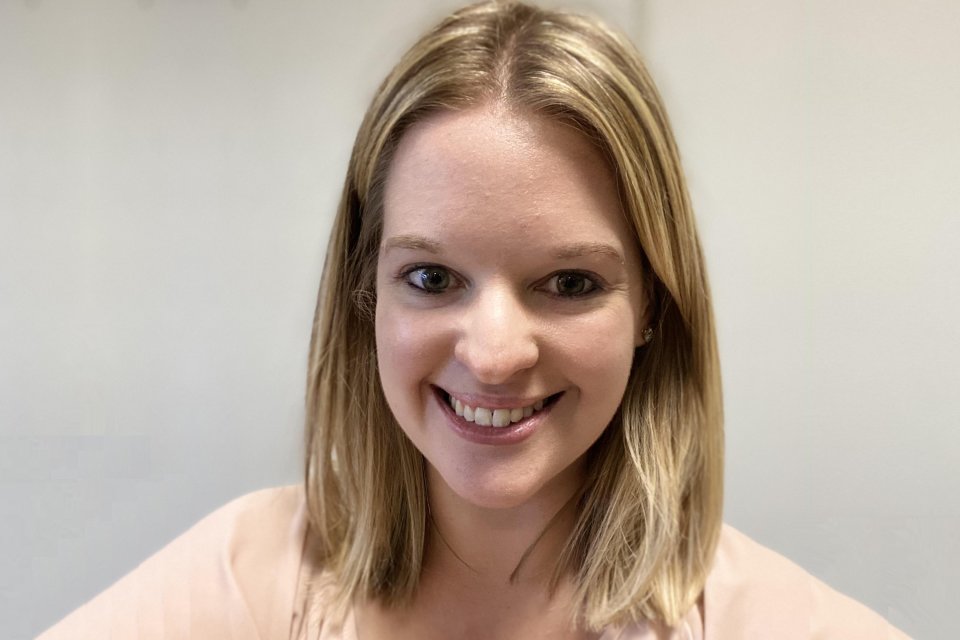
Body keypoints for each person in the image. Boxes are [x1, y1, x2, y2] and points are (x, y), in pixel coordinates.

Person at [39, 1, 908, 638]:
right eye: (431, 276)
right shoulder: (251, 581)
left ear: (652, 305)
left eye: (568, 283)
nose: (494, 354)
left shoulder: (776, 621)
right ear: (366, 292)